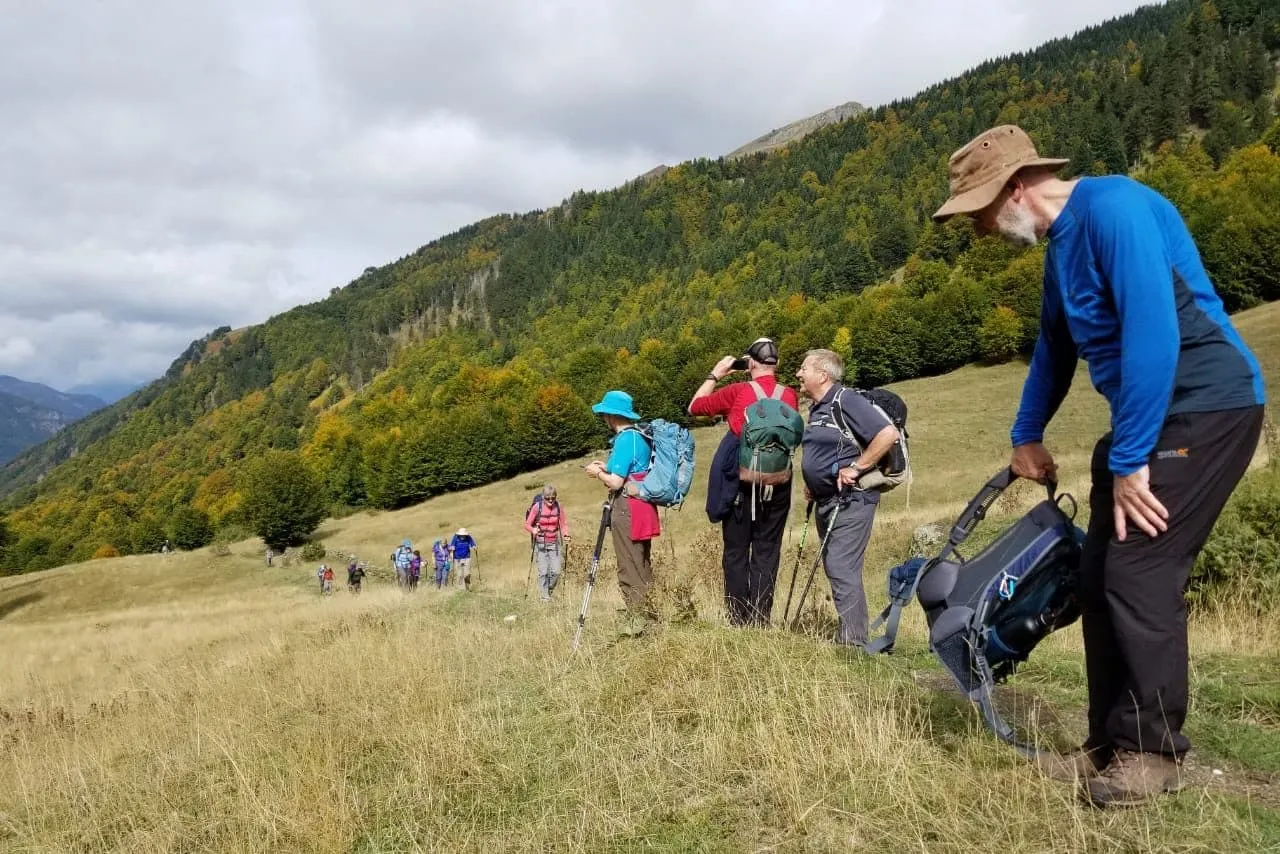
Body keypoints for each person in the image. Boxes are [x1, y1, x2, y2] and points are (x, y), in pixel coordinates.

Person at [932, 124, 1266, 807]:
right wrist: (1027, 433)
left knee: (1141, 568)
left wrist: (1135, 457)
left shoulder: (1116, 208)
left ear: (1016, 189)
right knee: (1096, 573)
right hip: (1148, 420)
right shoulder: (1062, 251)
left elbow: (1153, 331)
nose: (982, 233)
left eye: (982, 215)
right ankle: (1108, 746)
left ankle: (1153, 751)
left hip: (1208, 405)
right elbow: (1054, 350)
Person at [689, 336, 801, 626]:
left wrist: (716, 373)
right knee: (767, 551)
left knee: (737, 551)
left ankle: (738, 619)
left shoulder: (737, 391)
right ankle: (760, 618)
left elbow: (695, 407)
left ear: (750, 362)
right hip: (777, 483)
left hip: (741, 483)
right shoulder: (789, 395)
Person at [795, 349, 901, 649]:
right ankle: (851, 634)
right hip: (826, 499)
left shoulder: (847, 400)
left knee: (841, 566)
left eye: (804, 368)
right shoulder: (817, 408)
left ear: (823, 375)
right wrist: (815, 483)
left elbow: (888, 434)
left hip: (852, 500)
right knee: (835, 566)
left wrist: (857, 467)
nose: (799, 374)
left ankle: (853, 644)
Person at [584, 390, 660, 632]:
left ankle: (640, 622)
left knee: (629, 564)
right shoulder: (640, 437)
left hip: (628, 508)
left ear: (611, 416)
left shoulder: (625, 439)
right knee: (642, 562)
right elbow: (632, 470)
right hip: (644, 506)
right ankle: (650, 615)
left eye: (605, 414)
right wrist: (606, 466)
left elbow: (616, 482)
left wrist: (597, 473)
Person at [525, 484, 571, 601]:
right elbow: (527, 524)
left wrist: (566, 535)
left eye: (553, 498)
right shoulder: (537, 507)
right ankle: (544, 597)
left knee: (556, 572)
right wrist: (533, 530)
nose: (551, 500)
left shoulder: (559, 507)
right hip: (540, 543)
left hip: (554, 543)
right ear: (543, 497)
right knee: (543, 572)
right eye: (547, 498)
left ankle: (549, 589)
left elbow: (563, 524)